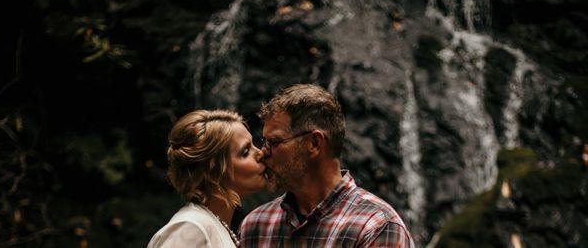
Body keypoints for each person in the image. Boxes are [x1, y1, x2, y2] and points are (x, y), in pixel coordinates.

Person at [240, 84, 414, 247]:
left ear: (314, 143)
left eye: (274, 142)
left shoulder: (376, 226)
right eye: (264, 141)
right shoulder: (256, 225)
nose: (263, 152)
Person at [148, 109, 265, 248]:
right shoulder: (191, 228)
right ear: (213, 172)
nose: (261, 153)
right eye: (245, 152)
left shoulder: (212, 224)